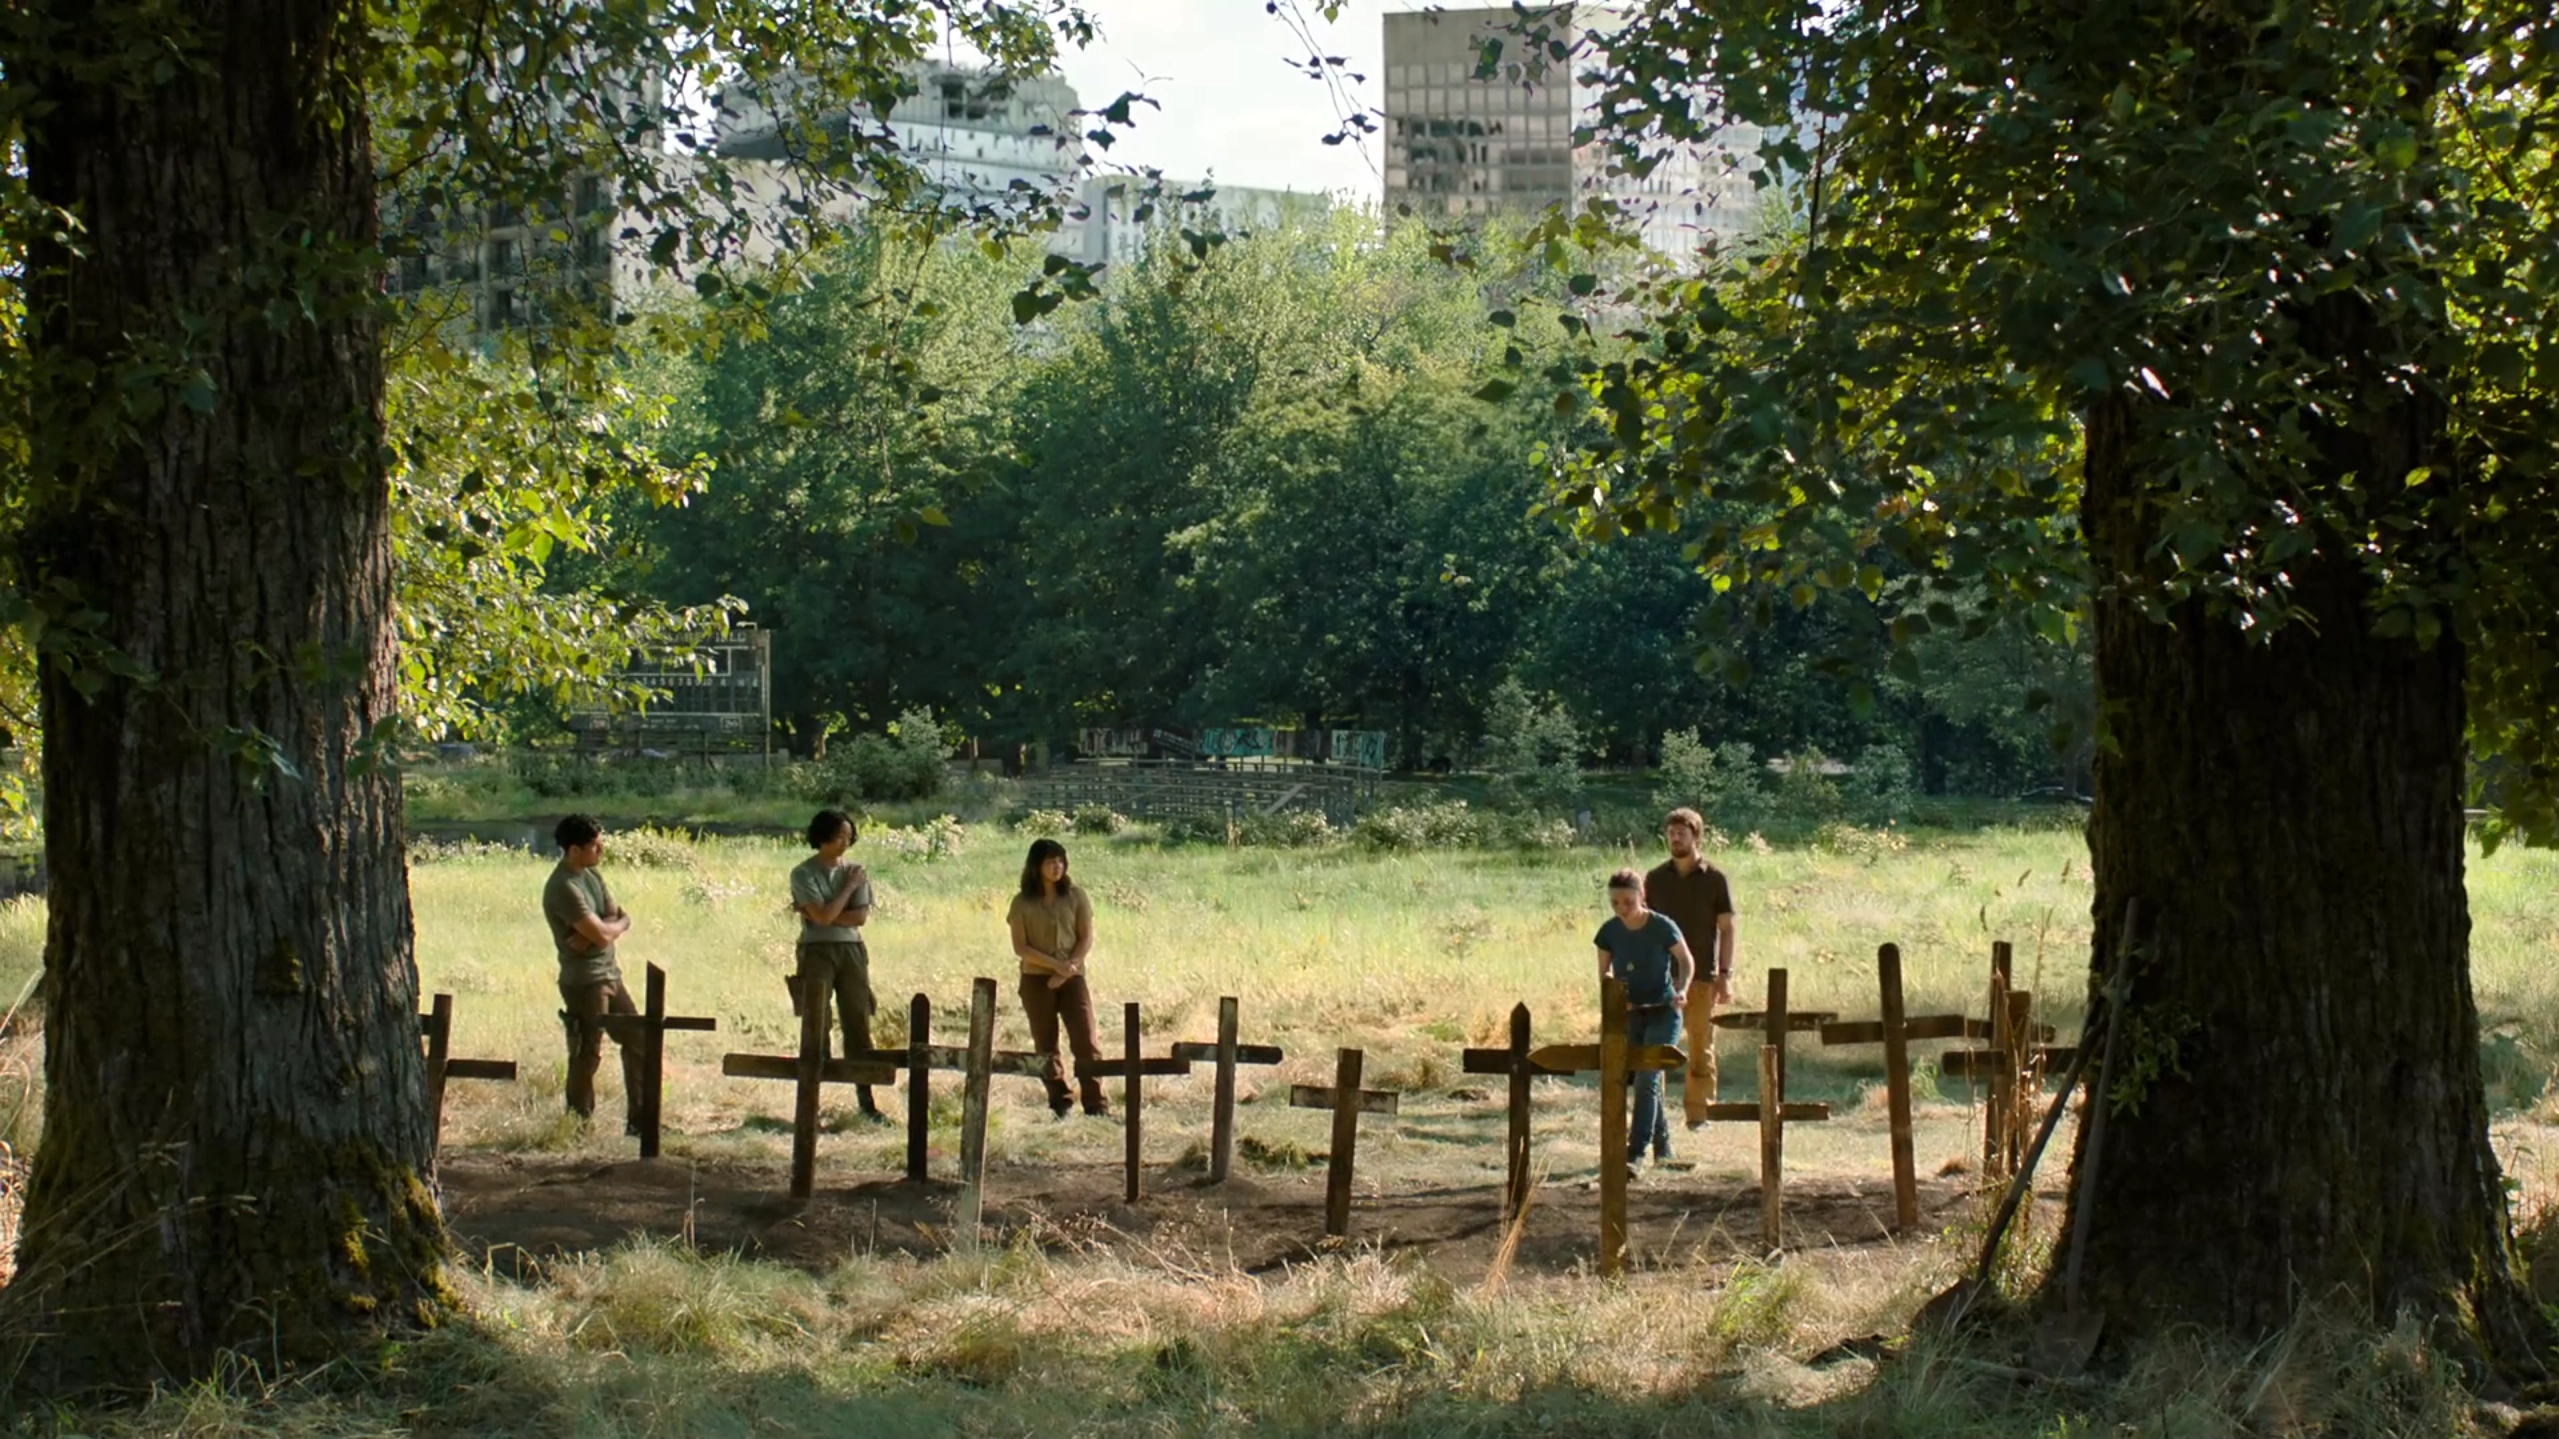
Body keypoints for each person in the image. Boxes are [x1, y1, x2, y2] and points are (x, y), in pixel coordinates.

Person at [543, 814, 644, 1134]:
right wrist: (602, 931)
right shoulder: (563, 887)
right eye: (595, 846)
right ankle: (578, 1125)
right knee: (588, 1052)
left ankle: (640, 1122)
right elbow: (602, 933)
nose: (601, 850)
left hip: (610, 974)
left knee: (639, 1040)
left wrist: (602, 929)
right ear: (574, 850)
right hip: (584, 981)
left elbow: (614, 917)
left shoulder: (592, 875)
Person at [1595, 868, 1698, 1175]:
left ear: (1642, 897)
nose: (1621, 909)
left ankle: (1635, 1153)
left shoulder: (1662, 926)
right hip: (1631, 1014)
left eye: (1628, 902)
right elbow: (1604, 973)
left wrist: (1682, 989)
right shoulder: (1609, 932)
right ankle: (1664, 1150)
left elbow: (1686, 961)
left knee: (1647, 1078)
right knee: (1644, 1081)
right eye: (1615, 903)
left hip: (1664, 1011)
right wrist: (1614, 994)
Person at [1644, 807, 1739, 1128]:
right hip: (1660, 978)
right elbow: (1644, 927)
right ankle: (1653, 1118)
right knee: (1655, 1051)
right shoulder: (1655, 879)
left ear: (1696, 837)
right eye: (1671, 834)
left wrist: (1725, 975)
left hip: (1701, 978)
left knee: (1700, 1049)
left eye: (1681, 834)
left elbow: (1727, 929)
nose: (1675, 839)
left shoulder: (1714, 879)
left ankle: (1699, 1116)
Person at [791, 809, 884, 1122]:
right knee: (816, 1020)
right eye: (838, 836)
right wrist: (846, 891)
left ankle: (867, 1104)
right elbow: (823, 918)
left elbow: (859, 917)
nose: (845, 842)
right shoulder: (803, 873)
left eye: (848, 836)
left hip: (852, 950)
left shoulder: (856, 870)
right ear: (822, 837)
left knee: (858, 1020)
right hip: (816, 950)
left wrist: (824, 912)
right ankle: (810, 1104)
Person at [1007, 837, 1109, 1118]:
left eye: (1061, 861)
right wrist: (1055, 967)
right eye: (1051, 861)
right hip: (1036, 979)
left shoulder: (1076, 896)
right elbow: (1021, 948)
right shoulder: (1021, 902)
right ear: (1036, 866)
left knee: (1086, 1041)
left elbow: (1085, 938)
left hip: (1073, 978)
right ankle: (1060, 1102)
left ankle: (1096, 1105)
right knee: (1046, 1045)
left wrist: (1068, 969)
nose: (1057, 866)